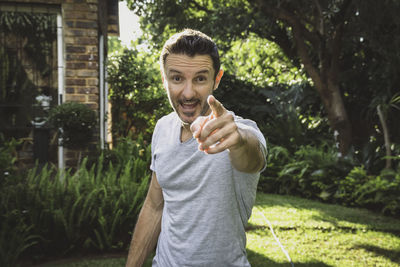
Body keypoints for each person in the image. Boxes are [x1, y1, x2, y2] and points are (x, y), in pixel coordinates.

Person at [126, 28, 267, 267]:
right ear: (164, 79)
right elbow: (154, 204)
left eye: (200, 78)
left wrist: (239, 141)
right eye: (177, 78)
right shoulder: (162, 128)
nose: (188, 93)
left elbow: (251, 157)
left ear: (217, 79)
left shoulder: (238, 131)